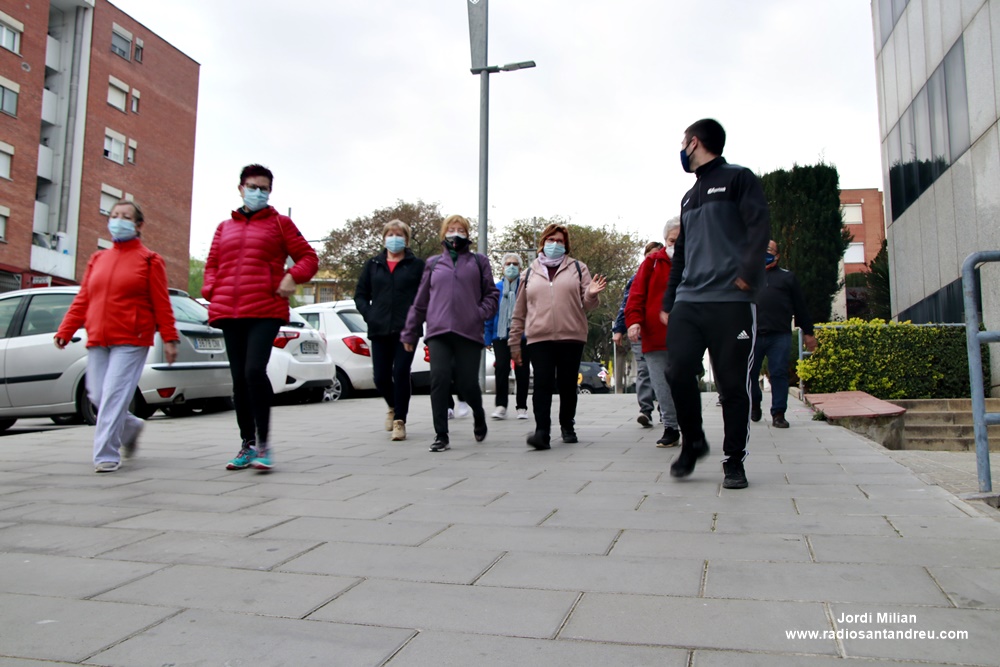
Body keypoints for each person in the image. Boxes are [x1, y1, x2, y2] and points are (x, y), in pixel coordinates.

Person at [660, 118, 770, 490]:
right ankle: (693, 441)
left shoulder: (739, 178)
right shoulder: (688, 197)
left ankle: (734, 461)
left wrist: (748, 274)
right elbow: (681, 253)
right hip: (689, 301)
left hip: (731, 301)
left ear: (694, 143)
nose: (681, 149)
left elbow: (759, 226)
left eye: (683, 143)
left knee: (732, 385)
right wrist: (670, 299)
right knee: (677, 372)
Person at [203, 164, 318, 472]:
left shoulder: (280, 224)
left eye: (263, 188)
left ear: (270, 192)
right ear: (240, 188)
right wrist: (210, 288)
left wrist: (292, 276)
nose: (257, 192)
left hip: (265, 308)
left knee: (254, 370)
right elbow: (212, 263)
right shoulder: (224, 228)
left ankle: (264, 444)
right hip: (230, 310)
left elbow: (309, 257)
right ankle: (248, 444)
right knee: (239, 379)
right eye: (252, 187)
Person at [55, 200, 179, 473]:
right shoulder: (98, 259)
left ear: (138, 225)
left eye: (125, 216)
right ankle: (131, 426)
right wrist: (66, 329)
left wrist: (170, 339)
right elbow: (84, 297)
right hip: (99, 337)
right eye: (114, 215)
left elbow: (162, 303)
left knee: (113, 395)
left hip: (132, 338)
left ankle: (106, 454)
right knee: (97, 395)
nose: (118, 220)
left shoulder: (150, 260)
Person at [401, 214, 498, 452]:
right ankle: (441, 435)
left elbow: (491, 295)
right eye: (451, 229)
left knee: (466, 383)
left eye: (461, 230)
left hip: (468, 332)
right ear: (444, 234)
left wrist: (478, 313)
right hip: (438, 331)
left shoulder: (479, 262)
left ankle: (478, 414)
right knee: (439, 379)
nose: (456, 233)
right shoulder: (433, 263)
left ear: (467, 234)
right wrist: (410, 331)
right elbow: (421, 301)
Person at [508, 223, 606, 450]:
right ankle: (542, 432)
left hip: (571, 335)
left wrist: (591, 294)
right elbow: (519, 311)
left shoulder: (578, 268)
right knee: (542, 384)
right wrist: (514, 341)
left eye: (560, 241)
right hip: (538, 337)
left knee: (567, 383)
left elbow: (588, 304)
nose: (555, 244)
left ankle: (567, 426)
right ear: (543, 243)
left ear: (566, 245)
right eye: (551, 240)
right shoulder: (529, 273)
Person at [355, 219, 424, 441]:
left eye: (399, 235)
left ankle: (399, 421)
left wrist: (416, 320)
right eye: (390, 234)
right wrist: (370, 315)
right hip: (379, 329)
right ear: (384, 238)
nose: (395, 239)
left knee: (401, 372)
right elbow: (360, 295)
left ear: (406, 239)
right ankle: (393, 406)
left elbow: (425, 296)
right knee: (380, 377)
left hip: (407, 330)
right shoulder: (373, 264)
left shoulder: (417, 265)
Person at [625, 219, 681, 447]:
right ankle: (671, 427)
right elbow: (636, 294)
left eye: (682, 240)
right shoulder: (652, 263)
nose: (677, 245)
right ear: (665, 240)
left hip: (687, 335)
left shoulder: (696, 262)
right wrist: (633, 322)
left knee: (683, 383)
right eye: (673, 240)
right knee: (661, 384)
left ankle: (688, 424)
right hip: (655, 336)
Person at [751, 239, 817, 428]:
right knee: (749, 373)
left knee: (779, 373)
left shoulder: (787, 278)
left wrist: (808, 333)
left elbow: (800, 307)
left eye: (769, 250)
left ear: (777, 255)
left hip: (779, 334)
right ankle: (754, 403)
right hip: (753, 335)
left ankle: (778, 413)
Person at [613, 241, 663, 428]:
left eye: (657, 255)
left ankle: (665, 411)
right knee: (644, 370)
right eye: (650, 255)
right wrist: (619, 329)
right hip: (640, 331)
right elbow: (627, 304)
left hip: (663, 332)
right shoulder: (637, 278)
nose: (653, 258)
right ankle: (645, 411)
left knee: (665, 371)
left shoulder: (670, 275)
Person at [484, 252, 530, 420]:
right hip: (500, 335)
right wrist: (487, 338)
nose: (511, 267)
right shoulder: (495, 289)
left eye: (515, 264)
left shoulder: (526, 288)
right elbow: (489, 315)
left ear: (520, 268)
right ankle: (501, 405)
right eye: (508, 264)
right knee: (501, 368)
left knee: (522, 370)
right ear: (502, 268)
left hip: (523, 336)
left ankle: (522, 406)